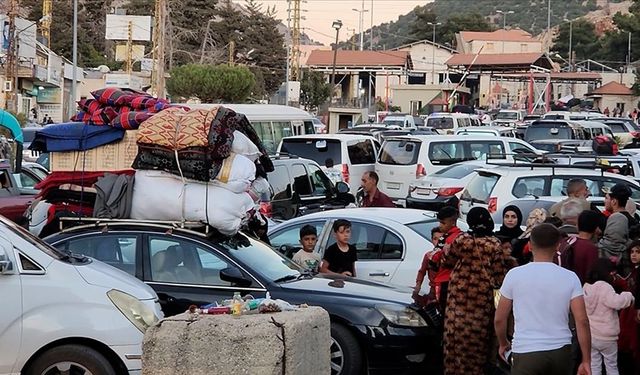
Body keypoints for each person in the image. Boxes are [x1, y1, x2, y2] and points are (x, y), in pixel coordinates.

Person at [495, 223, 592, 375]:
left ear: (530, 245)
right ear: (558, 246)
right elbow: (582, 321)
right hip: (560, 351)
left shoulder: (514, 275)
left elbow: (500, 318)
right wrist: (586, 360)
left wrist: (503, 343)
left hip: (525, 350)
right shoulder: (570, 277)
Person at [442, 207, 515, 374]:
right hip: (481, 304)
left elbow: (447, 261)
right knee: (476, 345)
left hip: (457, 301)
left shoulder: (461, 240)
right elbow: (499, 277)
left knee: (455, 343)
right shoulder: (493, 244)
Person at [584, 258, 634, 375]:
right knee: (611, 366)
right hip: (607, 337)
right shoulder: (605, 287)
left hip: (591, 334)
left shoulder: (586, 287)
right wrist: (628, 295)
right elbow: (616, 302)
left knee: (594, 365)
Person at [430, 206, 463, 313]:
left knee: (443, 310)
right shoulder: (462, 236)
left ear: (453, 222)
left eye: (443, 223)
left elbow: (434, 258)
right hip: (457, 280)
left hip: (444, 279)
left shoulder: (446, 239)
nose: (440, 226)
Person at [559, 210, 602, 285]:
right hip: (580, 288)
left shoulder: (566, 242)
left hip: (563, 284)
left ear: (577, 225)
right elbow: (592, 275)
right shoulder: (591, 248)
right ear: (596, 228)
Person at [599, 183, 634, 272]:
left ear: (614, 201)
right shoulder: (634, 222)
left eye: (606, 198)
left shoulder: (609, 222)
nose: (604, 201)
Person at [413, 227, 443, 307]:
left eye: (440, 239)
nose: (437, 242)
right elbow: (422, 272)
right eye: (435, 239)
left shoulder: (449, 256)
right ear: (432, 240)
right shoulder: (428, 256)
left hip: (445, 290)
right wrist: (418, 286)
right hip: (433, 291)